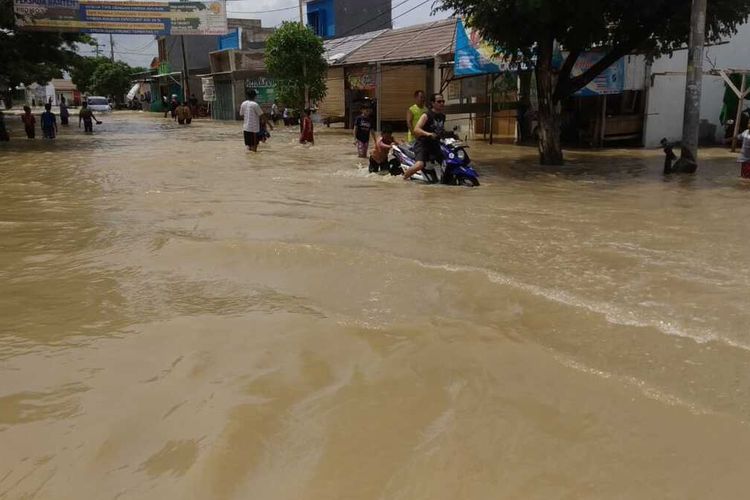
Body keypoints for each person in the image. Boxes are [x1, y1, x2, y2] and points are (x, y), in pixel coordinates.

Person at [403, 93, 446, 180]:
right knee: (420, 164)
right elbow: (416, 129)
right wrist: (428, 134)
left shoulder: (442, 116)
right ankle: (403, 178)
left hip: (435, 145)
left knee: (447, 160)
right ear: (433, 103)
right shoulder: (426, 115)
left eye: (443, 101)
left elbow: (439, 130)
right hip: (423, 144)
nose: (442, 103)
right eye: (439, 101)